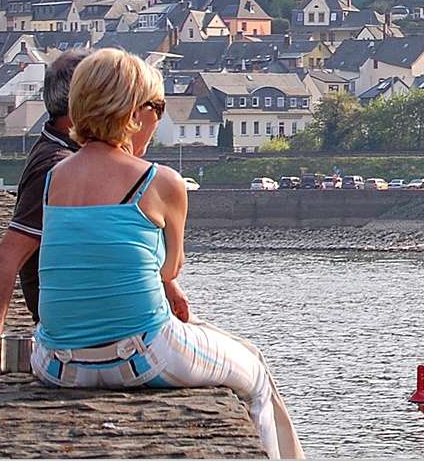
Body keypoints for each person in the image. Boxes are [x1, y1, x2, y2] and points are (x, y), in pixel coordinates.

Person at [28, 48, 301, 459]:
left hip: (56, 363)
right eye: (157, 107)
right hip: (141, 354)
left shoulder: (53, 179)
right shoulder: (161, 182)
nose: (158, 119)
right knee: (255, 370)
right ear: (133, 113)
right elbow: (170, 266)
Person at [0, 49, 88, 387]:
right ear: (80, 104)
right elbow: (6, 259)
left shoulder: (65, 153)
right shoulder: (56, 166)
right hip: (71, 333)